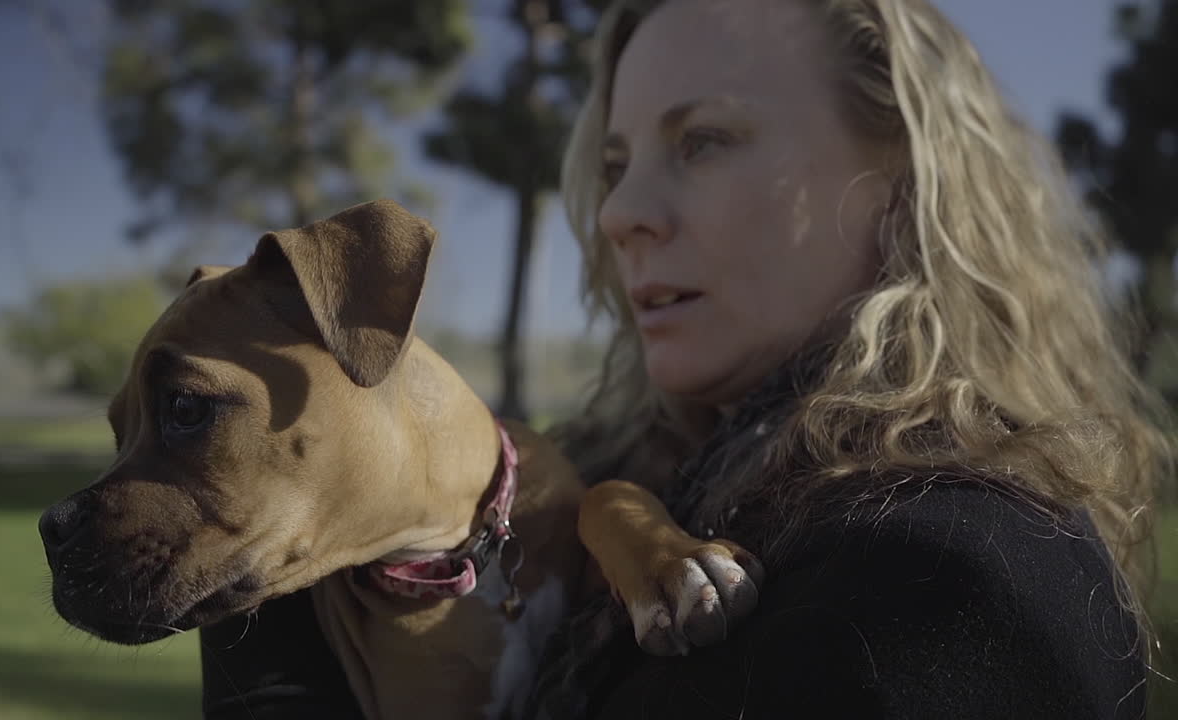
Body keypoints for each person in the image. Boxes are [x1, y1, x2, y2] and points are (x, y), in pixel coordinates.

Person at [200, 0, 1169, 717]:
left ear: (901, 184)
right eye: (614, 168)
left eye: (701, 141)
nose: (618, 215)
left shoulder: (957, 576)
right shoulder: (578, 485)